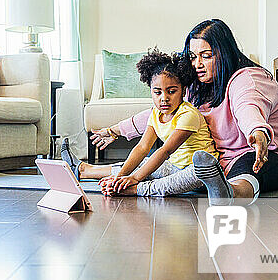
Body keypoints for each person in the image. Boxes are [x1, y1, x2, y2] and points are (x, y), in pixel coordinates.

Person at [89, 19, 278, 203]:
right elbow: (162, 112)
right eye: (192, 56)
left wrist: (257, 131)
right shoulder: (197, 86)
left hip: (264, 155)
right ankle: (88, 171)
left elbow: (248, 107)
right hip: (215, 163)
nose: (197, 64)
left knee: (248, 168)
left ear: (225, 54)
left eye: (206, 56)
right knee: (157, 165)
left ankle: (231, 195)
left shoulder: (247, 79)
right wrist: (115, 130)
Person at [61, 48, 218, 197]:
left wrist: (134, 179)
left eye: (171, 91)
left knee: (183, 177)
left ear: (183, 91)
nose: (164, 98)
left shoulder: (188, 115)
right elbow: (142, 147)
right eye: (157, 92)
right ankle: (99, 176)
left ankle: (135, 189)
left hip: (197, 172)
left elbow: (165, 151)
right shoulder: (156, 113)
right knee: (143, 162)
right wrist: (122, 176)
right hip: (173, 167)